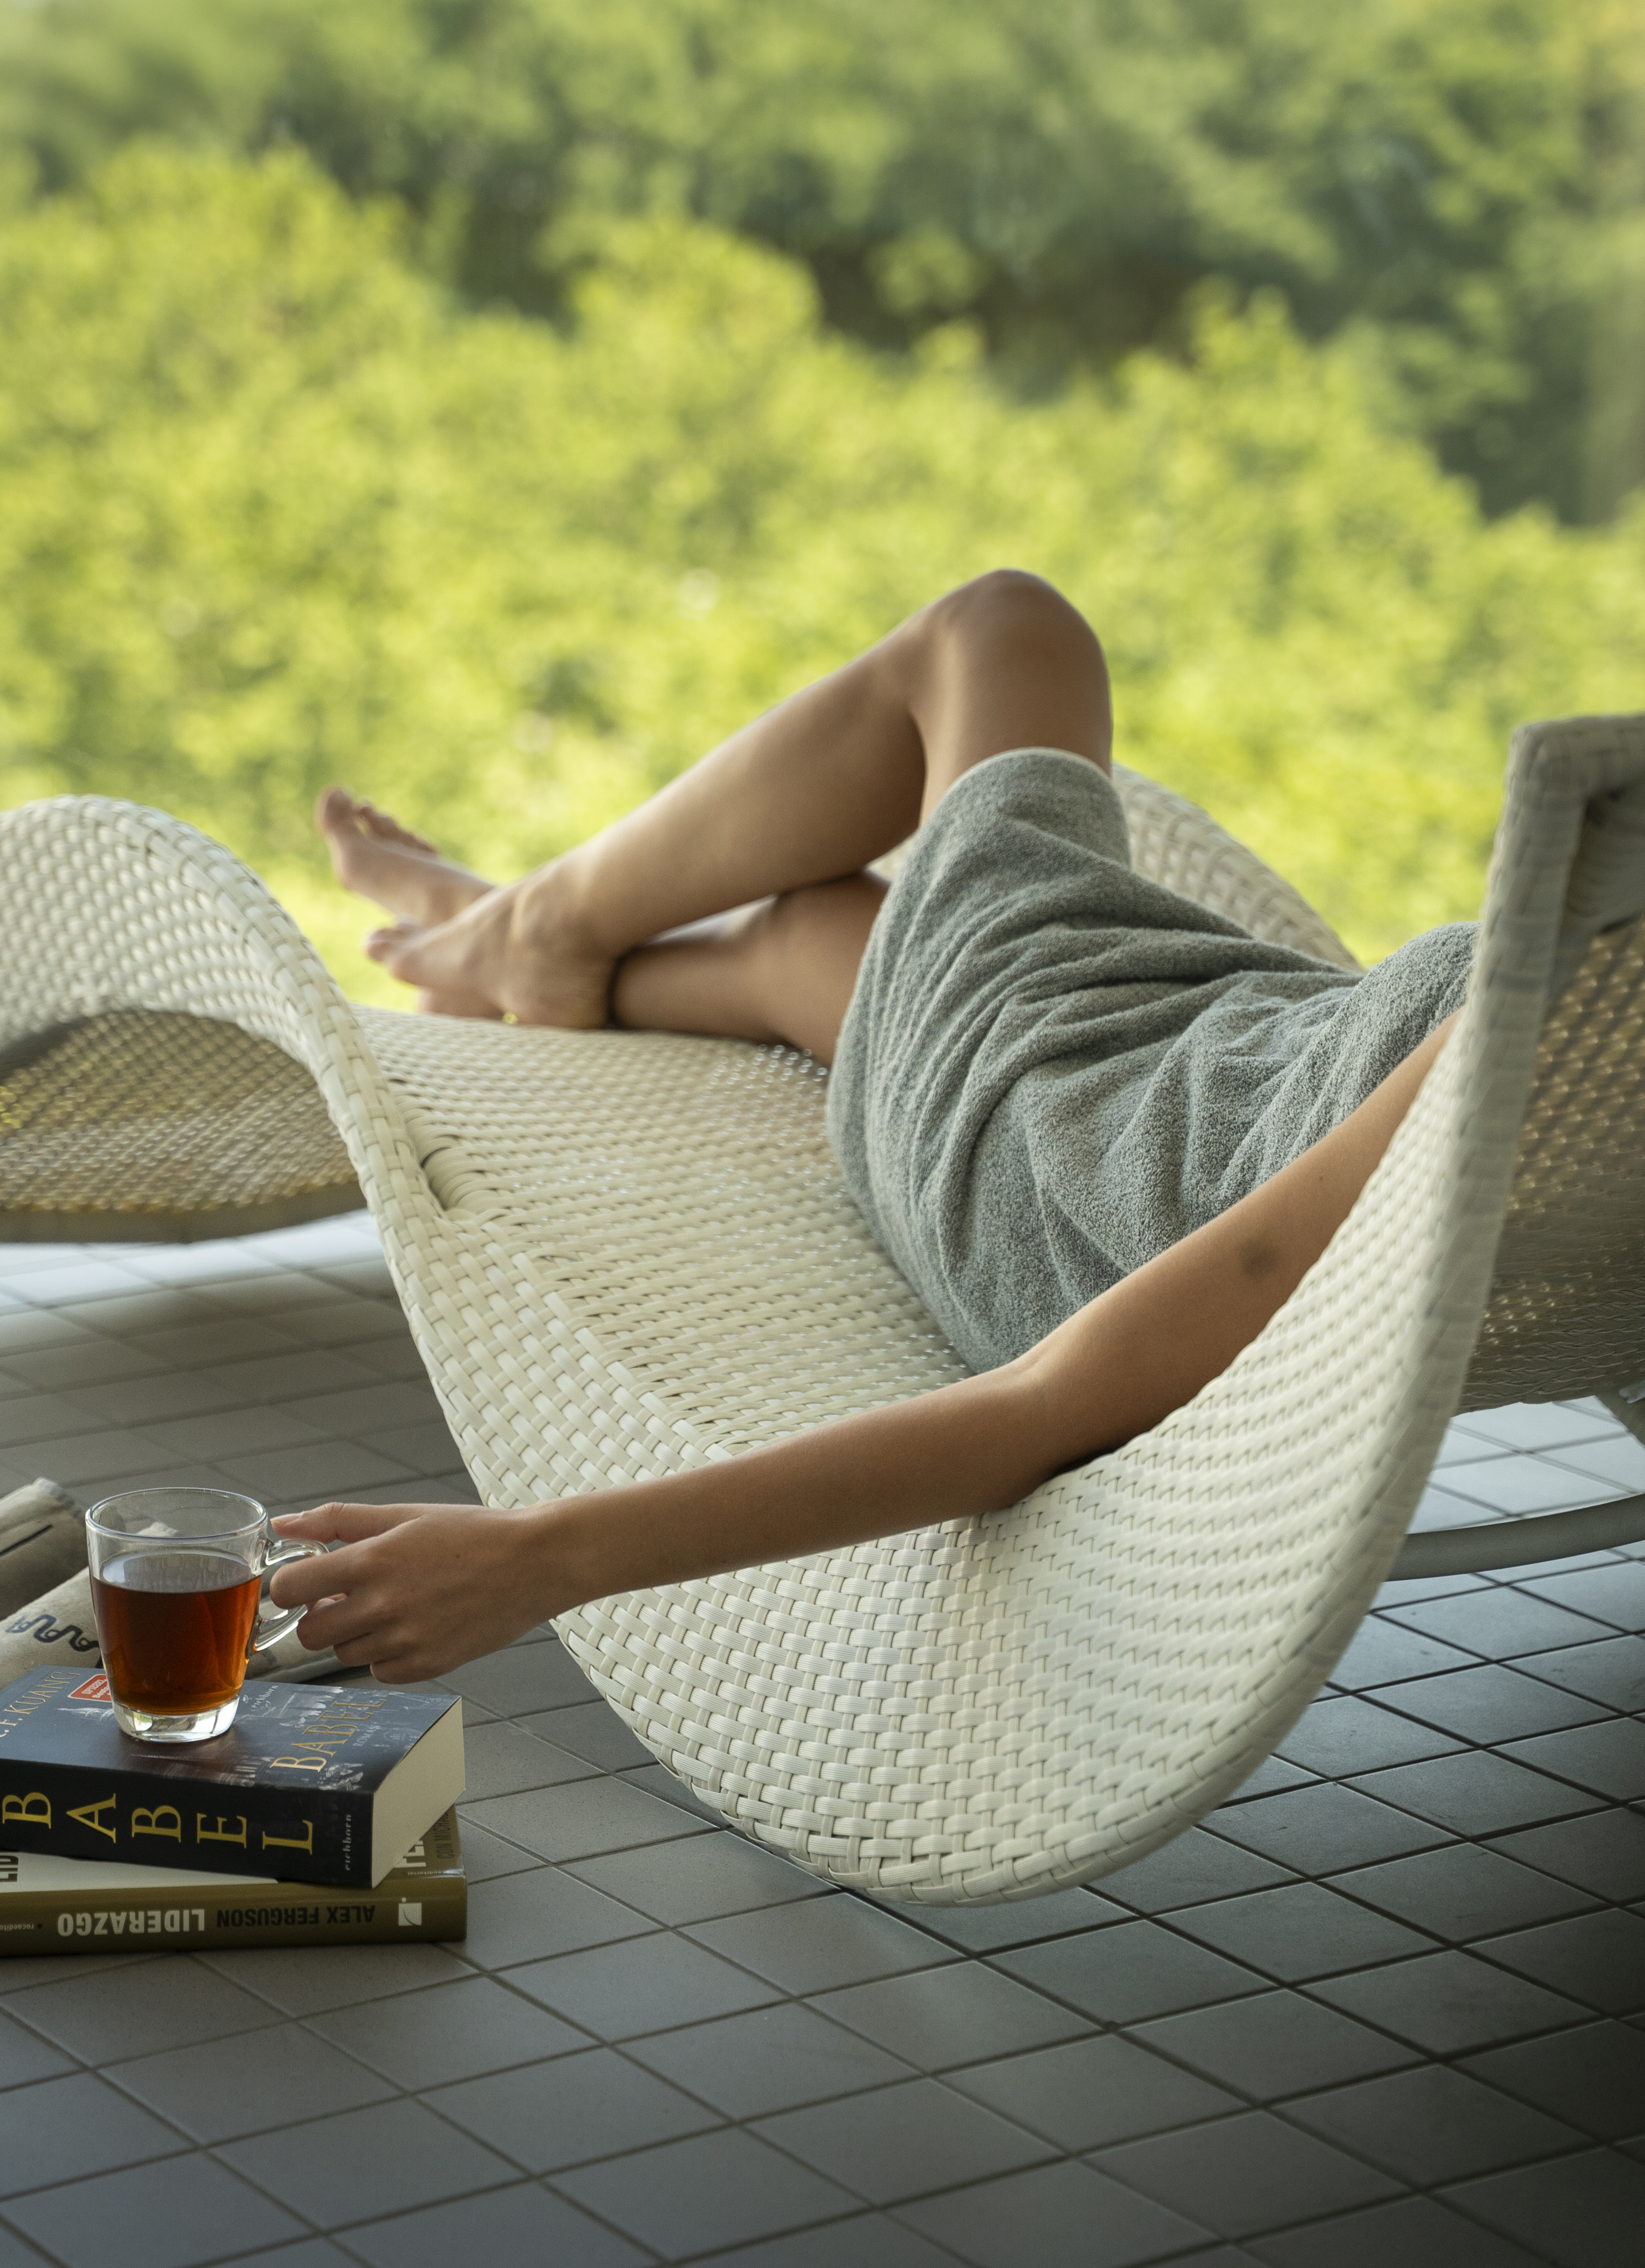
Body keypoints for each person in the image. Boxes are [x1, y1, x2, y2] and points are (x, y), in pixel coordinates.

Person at [270, 569, 1470, 1679]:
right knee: (823, 941)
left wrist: (540, 1557)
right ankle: (520, 943)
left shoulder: (1550, 1019)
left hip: (1058, 1140)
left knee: (1002, 631)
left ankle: (533, 931)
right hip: (1194, 1053)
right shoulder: (1587, 1047)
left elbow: (1057, 1395)